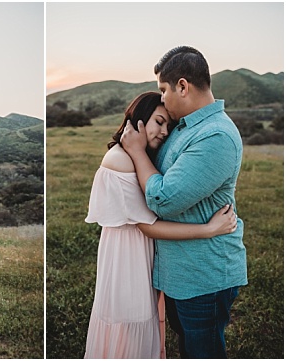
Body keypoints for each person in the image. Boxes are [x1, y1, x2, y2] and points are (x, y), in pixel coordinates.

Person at [84, 92, 238, 359]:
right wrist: (208, 229)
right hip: (128, 257)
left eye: (168, 125)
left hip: (141, 253)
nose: (165, 132)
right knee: (131, 332)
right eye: (158, 122)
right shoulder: (122, 160)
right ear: (139, 121)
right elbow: (148, 226)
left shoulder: (137, 156)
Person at [121, 46, 247, 359]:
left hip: (204, 274)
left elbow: (164, 199)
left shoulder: (215, 136)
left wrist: (137, 153)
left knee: (202, 351)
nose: (161, 97)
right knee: (187, 348)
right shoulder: (184, 126)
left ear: (182, 86)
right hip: (179, 272)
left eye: (164, 89)